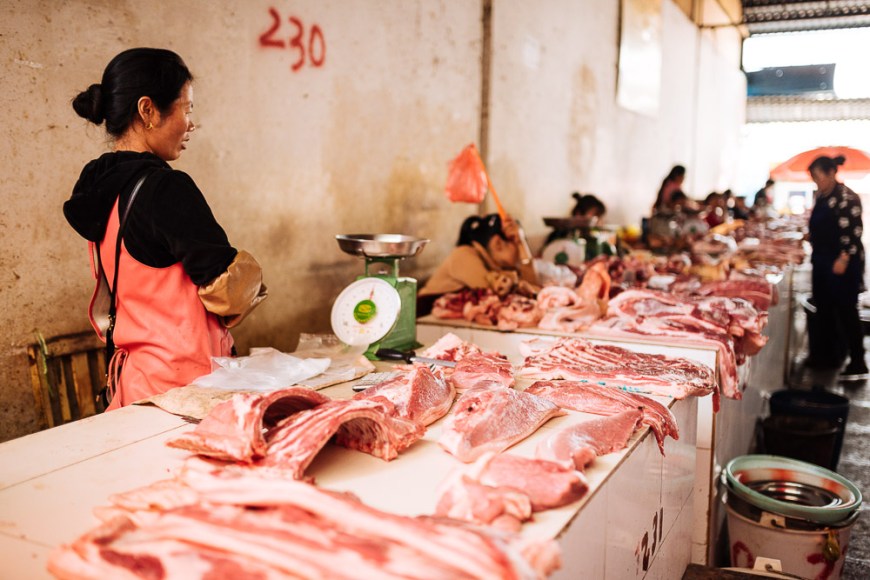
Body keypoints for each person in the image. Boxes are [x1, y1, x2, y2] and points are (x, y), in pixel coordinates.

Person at [64, 48, 268, 410]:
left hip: (135, 385)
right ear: (148, 110)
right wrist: (253, 278)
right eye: (186, 109)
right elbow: (227, 292)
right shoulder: (165, 188)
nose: (191, 124)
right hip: (187, 390)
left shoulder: (100, 187)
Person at [806, 155, 867, 375]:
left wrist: (844, 258)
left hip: (842, 263)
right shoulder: (823, 195)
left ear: (831, 173)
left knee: (846, 310)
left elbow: (853, 232)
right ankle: (828, 357)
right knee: (825, 309)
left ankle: (857, 360)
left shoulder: (846, 197)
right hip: (823, 261)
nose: (817, 181)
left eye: (819, 176)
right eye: (814, 178)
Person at [418, 213, 536, 309]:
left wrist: (522, 245)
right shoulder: (464, 255)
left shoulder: (497, 265)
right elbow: (496, 294)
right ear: (498, 244)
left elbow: (533, 288)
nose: (522, 251)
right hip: (421, 319)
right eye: (518, 242)